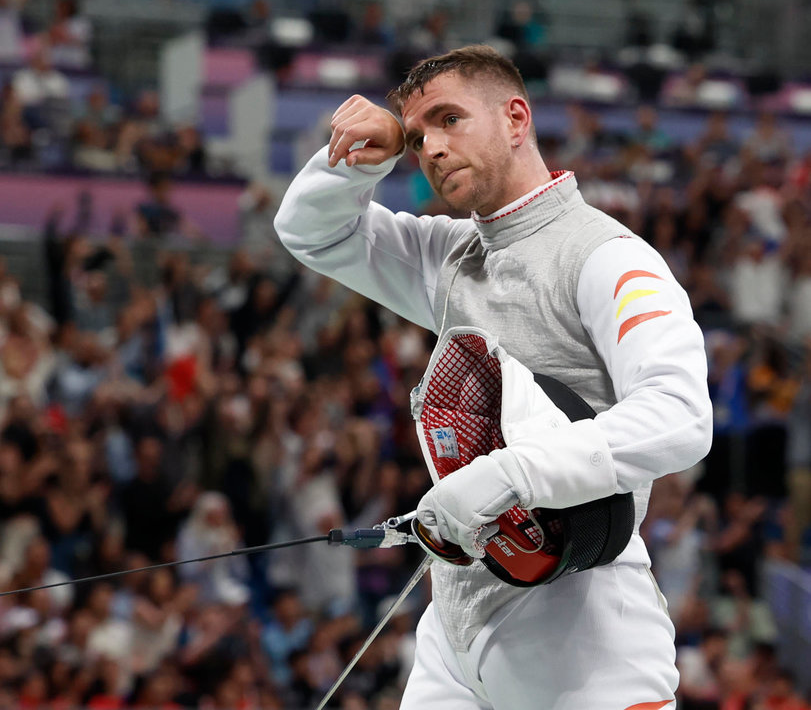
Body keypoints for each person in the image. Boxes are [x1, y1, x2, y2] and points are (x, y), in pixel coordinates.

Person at [274, 45, 712, 710]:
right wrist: (380, 150)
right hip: (455, 621)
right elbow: (311, 232)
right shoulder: (450, 256)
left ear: (515, 118)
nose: (432, 148)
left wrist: (508, 476)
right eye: (420, 136)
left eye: (450, 120)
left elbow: (680, 417)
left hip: (579, 622)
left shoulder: (607, 257)